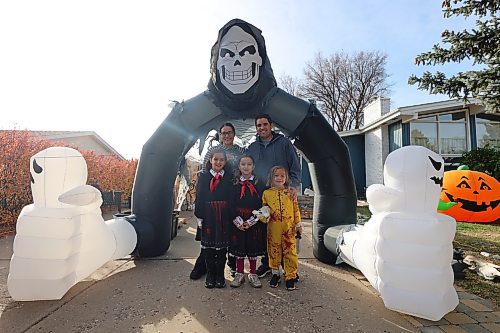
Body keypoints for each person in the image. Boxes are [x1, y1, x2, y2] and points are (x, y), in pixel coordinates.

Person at [247, 114, 301, 278]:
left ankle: (289, 268)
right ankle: (268, 263)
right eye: (258, 125)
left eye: (264, 124)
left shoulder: (283, 143)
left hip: (283, 194)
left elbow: (295, 165)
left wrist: (294, 186)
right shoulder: (253, 147)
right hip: (262, 194)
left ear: (271, 126)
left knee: (286, 232)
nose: (262, 128)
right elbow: (246, 166)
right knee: (266, 231)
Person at [190, 123, 245, 280]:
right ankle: (203, 266)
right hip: (211, 199)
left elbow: (245, 166)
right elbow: (205, 169)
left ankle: (231, 266)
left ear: (234, 134)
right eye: (223, 133)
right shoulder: (211, 151)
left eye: (229, 133)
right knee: (208, 236)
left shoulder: (240, 151)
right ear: (220, 135)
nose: (226, 136)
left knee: (229, 235)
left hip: (232, 193)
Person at [194, 148, 233, 288]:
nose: (218, 162)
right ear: (210, 161)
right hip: (208, 215)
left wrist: (231, 216)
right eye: (215, 159)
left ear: (225, 161)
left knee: (221, 248)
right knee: (209, 247)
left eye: (221, 159)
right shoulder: (204, 177)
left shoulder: (228, 177)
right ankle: (210, 274)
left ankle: (220, 274)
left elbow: (231, 198)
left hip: (223, 215)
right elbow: (199, 197)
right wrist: (199, 216)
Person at [229, 155, 267, 288]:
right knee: (239, 247)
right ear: (239, 166)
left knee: (253, 246)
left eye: (249, 164)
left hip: (253, 220)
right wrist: (238, 221)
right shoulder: (234, 183)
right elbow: (231, 203)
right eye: (243, 164)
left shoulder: (259, 183)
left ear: (253, 166)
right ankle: (239, 273)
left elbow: (262, 204)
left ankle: (253, 273)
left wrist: (252, 220)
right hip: (238, 219)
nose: (246, 167)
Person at [262, 166, 302, 290]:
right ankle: (275, 274)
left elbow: (296, 209)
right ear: (271, 177)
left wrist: (298, 224)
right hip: (273, 229)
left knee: (290, 252)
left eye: (282, 176)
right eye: (276, 176)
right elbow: (264, 210)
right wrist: (263, 217)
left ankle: (290, 275)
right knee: (274, 252)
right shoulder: (267, 193)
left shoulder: (290, 193)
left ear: (286, 178)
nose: (279, 178)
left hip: (289, 229)